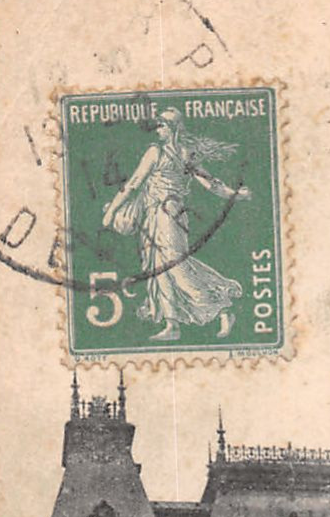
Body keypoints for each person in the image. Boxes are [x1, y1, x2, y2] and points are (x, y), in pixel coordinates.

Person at [99, 108, 254, 342]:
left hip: (169, 215)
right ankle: (172, 325)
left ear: (173, 128)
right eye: (158, 125)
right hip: (153, 215)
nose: (158, 129)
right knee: (157, 268)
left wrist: (236, 196)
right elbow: (134, 184)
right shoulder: (161, 151)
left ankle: (222, 307)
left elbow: (210, 183)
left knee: (176, 267)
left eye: (161, 125)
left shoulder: (175, 153)